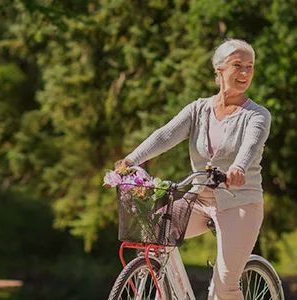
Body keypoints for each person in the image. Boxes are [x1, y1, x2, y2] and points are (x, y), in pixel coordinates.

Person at [115, 38, 271, 300]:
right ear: (219, 70)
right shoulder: (198, 109)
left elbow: (251, 146)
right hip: (198, 199)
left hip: (240, 202)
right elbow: (165, 136)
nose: (245, 73)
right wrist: (131, 161)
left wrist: (238, 168)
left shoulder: (256, 115)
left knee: (225, 286)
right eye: (237, 65)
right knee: (154, 234)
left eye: (250, 66)